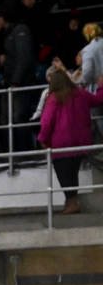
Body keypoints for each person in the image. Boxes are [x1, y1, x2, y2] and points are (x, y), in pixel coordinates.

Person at [39, 66, 101, 215]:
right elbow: (98, 100)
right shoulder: (81, 94)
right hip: (81, 143)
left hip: (61, 144)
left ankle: (72, 203)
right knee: (72, 173)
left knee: (64, 175)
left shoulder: (54, 98)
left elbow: (47, 122)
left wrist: (43, 140)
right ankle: (71, 202)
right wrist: (101, 87)